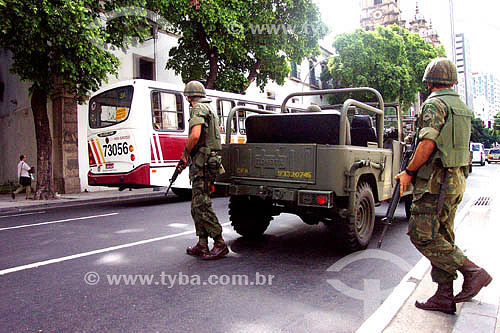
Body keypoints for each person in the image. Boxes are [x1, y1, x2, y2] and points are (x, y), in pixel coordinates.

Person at [396, 58, 492, 315]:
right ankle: (444, 295)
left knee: (422, 234)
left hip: (436, 181)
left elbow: (427, 144)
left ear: (429, 83)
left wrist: (408, 171)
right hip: (456, 179)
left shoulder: (435, 104)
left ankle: (473, 272)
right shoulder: (460, 106)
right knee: (443, 236)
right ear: (452, 82)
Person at [178, 80, 228, 260]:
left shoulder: (198, 108)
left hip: (204, 162)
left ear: (189, 97)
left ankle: (220, 242)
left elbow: (195, 135)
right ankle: (202, 243)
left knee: (201, 204)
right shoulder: (208, 108)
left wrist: (185, 154)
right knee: (197, 205)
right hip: (205, 161)